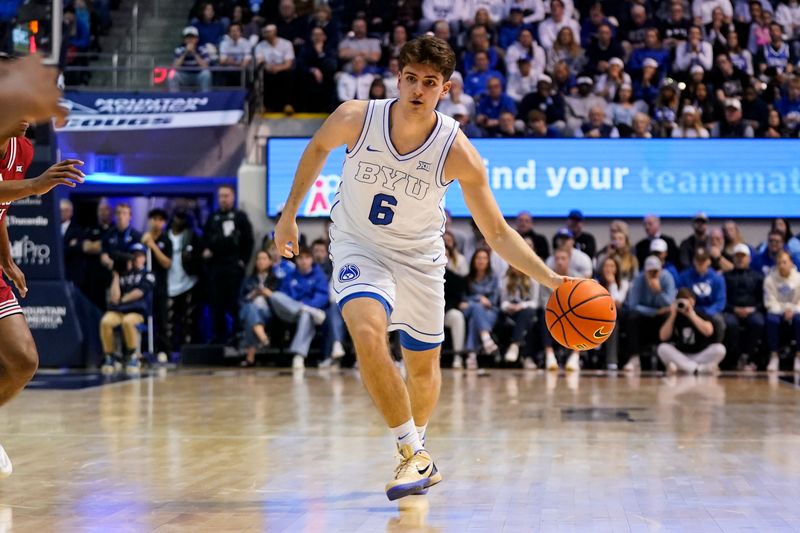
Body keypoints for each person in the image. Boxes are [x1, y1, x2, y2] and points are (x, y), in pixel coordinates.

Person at [273, 35, 566, 501]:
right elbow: (314, 150)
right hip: (358, 246)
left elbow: (497, 233)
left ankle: (418, 450)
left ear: (444, 89)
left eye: (429, 83)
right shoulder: (356, 117)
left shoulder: (457, 150)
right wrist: (288, 214)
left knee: (423, 369)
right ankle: (412, 450)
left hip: (420, 260)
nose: (417, 89)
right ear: (398, 77)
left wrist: (551, 280)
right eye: (411, 79)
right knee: (368, 334)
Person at [0, 120, 83, 477]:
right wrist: (35, 185)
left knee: (23, 360)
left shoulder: (24, 149)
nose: (30, 117)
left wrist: (6, 260)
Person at [203, 185, 254, 344]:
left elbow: (248, 240)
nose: (223, 199)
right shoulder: (213, 217)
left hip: (233, 265)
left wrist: (243, 261)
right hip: (217, 266)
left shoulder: (240, 217)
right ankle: (219, 335)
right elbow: (205, 237)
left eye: (226, 196)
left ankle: (237, 334)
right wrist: (206, 251)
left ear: (233, 197)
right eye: (221, 196)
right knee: (216, 303)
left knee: (235, 302)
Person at [270, 246, 329, 369]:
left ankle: (299, 355)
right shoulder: (290, 275)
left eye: (307, 258)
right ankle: (304, 309)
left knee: (306, 316)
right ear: (296, 260)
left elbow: (322, 295)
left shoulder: (318, 275)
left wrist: (310, 305)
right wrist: (301, 306)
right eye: (300, 258)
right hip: (291, 312)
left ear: (311, 259)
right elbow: (284, 295)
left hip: (309, 312)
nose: (304, 261)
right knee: (275, 296)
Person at [100, 244, 154, 375]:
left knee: (128, 321)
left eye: (139, 255)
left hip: (137, 312)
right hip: (119, 312)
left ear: (144, 258)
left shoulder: (147, 274)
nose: (136, 258)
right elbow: (114, 298)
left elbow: (139, 292)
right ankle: (110, 356)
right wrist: (116, 275)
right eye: (134, 255)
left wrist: (122, 300)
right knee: (106, 321)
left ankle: (133, 356)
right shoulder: (122, 274)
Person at [625, 255, 678, 372]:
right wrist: (654, 312)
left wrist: (658, 292)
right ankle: (634, 357)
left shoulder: (667, 278)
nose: (654, 274)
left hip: (662, 315)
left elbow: (669, 303)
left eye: (656, 271)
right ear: (645, 271)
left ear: (661, 270)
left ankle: (668, 359)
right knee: (632, 318)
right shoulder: (638, 280)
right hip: (645, 316)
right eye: (650, 272)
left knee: (670, 316)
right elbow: (633, 305)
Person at [656, 287, 727, 374]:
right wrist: (672, 315)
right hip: (680, 355)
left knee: (720, 349)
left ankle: (684, 368)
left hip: (700, 354)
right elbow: (663, 337)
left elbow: (709, 331)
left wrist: (691, 315)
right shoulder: (674, 317)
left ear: (693, 301)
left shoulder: (700, 314)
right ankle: (697, 369)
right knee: (662, 348)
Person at [723, 244, 765, 370]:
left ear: (749, 258)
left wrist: (753, 309)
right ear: (733, 258)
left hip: (752, 310)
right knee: (730, 324)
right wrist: (733, 309)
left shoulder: (758, 277)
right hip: (731, 310)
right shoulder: (726, 277)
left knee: (758, 322)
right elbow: (722, 299)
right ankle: (735, 358)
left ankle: (749, 356)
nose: (740, 259)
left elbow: (763, 300)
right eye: (737, 256)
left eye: (743, 256)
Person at [540, 248, 581, 372]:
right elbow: (544, 302)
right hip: (554, 312)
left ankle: (576, 355)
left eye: (563, 258)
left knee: (582, 316)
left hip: (573, 313)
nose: (559, 262)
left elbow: (581, 302)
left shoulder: (577, 278)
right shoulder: (548, 278)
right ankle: (549, 355)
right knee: (544, 316)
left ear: (569, 260)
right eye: (557, 258)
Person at [460, 249, 501, 370]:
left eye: (484, 258)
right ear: (473, 260)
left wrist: (474, 302)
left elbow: (492, 301)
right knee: (476, 307)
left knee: (474, 318)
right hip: (470, 308)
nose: (481, 261)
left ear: (488, 261)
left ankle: (471, 355)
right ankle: (486, 338)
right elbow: (463, 299)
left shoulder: (493, 277)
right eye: (478, 258)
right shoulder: (468, 278)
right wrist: (479, 298)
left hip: (490, 311)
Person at [166, 209, 201, 353]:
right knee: (170, 321)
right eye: (177, 217)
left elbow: (200, 258)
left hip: (188, 282)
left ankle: (188, 352)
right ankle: (169, 351)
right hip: (169, 283)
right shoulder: (165, 236)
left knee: (188, 320)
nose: (179, 221)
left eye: (182, 218)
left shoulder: (192, 236)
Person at [141, 209, 173, 361]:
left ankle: (163, 351)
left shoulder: (166, 240)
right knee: (143, 317)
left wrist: (153, 246)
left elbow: (167, 262)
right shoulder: (143, 239)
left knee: (161, 319)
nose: (157, 222)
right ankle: (142, 350)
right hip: (144, 286)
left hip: (160, 286)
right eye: (154, 218)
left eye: (160, 219)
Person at [239, 250, 280, 367]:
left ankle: (250, 357)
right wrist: (253, 294)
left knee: (250, 317)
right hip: (249, 308)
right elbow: (241, 300)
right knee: (249, 308)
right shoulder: (248, 280)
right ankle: (263, 337)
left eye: (264, 258)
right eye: (258, 259)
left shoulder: (275, 280)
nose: (261, 261)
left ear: (270, 262)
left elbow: (280, 299)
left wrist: (268, 293)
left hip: (268, 311)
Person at [679, 247, 727, 343]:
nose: (700, 263)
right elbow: (680, 294)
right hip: (690, 309)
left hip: (710, 309)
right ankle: (683, 346)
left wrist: (706, 312)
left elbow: (720, 301)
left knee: (719, 321)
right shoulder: (684, 276)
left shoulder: (717, 278)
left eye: (703, 260)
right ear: (694, 261)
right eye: (698, 260)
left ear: (709, 261)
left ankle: (716, 344)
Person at [764, 250, 800, 372]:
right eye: (779, 263)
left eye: (784, 262)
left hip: (796, 311)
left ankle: (798, 356)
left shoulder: (799, 279)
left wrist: (792, 310)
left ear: (791, 263)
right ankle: (774, 356)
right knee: (771, 320)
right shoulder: (769, 280)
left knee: (799, 319)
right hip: (778, 312)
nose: (782, 265)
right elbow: (770, 301)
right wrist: (784, 310)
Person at [500, 266, 540, 365]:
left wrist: (521, 306)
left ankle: (515, 344)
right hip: (511, 312)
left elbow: (535, 303)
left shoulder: (533, 279)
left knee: (527, 315)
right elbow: (502, 303)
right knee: (523, 320)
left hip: (527, 310)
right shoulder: (506, 279)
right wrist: (509, 306)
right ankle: (526, 357)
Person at [255, 24, 296, 113]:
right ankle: (263, 105)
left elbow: (288, 63)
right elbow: (260, 61)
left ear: (275, 32)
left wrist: (278, 68)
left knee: (289, 74)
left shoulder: (286, 44)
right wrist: (268, 67)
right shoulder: (260, 46)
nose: (267, 34)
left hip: (283, 68)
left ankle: (288, 104)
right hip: (267, 69)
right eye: (265, 32)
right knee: (261, 75)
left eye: (269, 32)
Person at [597, 256, 628, 370]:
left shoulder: (623, 283)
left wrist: (612, 284)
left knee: (613, 319)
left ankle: (611, 361)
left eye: (612, 266)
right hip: (598, 315)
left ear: (617, 269)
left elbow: (618, 302)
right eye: (606, 266)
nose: (609, 269)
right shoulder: (595, 283)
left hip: (617, 316)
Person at [82, 200, 113, 309]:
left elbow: (113, 247)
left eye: (106, 210)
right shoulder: (92, 229)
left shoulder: (114, 229)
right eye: (100, 210)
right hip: (94, 274)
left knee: (110, 304)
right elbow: (86, 247)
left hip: (110, 274)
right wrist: (105, 244)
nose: (103, 213)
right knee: (94, 305)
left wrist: (96, 245)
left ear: (110, 212)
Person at [101, 203, 142, 272]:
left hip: (130, 272)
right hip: (111, 271)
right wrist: (105, 258)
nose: (120, 216)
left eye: (124, 213)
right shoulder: (109, 233)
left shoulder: (136, 235)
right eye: (118, 213)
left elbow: (136, 258)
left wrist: (116, 255)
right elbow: (104, 253)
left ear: (130, 216)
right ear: (115, 215)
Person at [170, 26, 212, 92]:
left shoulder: (202, 49)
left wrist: (194, 53)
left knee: (206, 73)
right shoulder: (179, 50)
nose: (190, 40)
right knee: (172, 74)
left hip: (198, 75)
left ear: (197, 39)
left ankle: (205, 96)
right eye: (188, 37)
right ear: (184, 39)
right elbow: (175, 67)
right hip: (184, 75)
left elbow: (205, 66)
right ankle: (174, 97)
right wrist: (185, 53)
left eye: (192, 37)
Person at [60, 198, 84, 287]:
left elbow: (76, 249)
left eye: (66, 210)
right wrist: (68, 246)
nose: (62, 213)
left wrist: (65, 248)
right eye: (60, 210)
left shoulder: (78, 230)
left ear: (71, 212)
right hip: (58, 273)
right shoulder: (52, 229)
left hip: (72, 273)